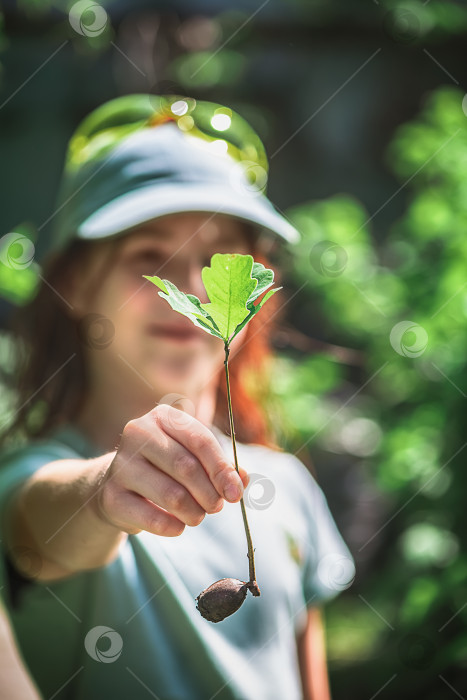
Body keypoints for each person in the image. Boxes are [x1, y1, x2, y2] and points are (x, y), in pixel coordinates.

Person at [0, 94, 355, 700]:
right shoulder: (28, 473)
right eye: (149, 257)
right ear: (75, 284)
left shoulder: (288, 485)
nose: (189, 287)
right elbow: (37, 530)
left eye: (221, 259)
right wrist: (107, 494)